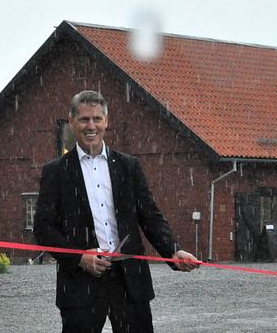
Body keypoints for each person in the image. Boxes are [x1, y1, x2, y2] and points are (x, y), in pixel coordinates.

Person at [33, 90, 199, 333]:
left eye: (97, 119)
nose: (91, 126)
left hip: (130, 281)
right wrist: (79, 257)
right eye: (84, 119)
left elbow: (150, 215)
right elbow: (43, 228)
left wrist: (173, 250)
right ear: (72, 122)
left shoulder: (129, 167)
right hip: (80, 286)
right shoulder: (55, 172)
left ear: (106, 122)